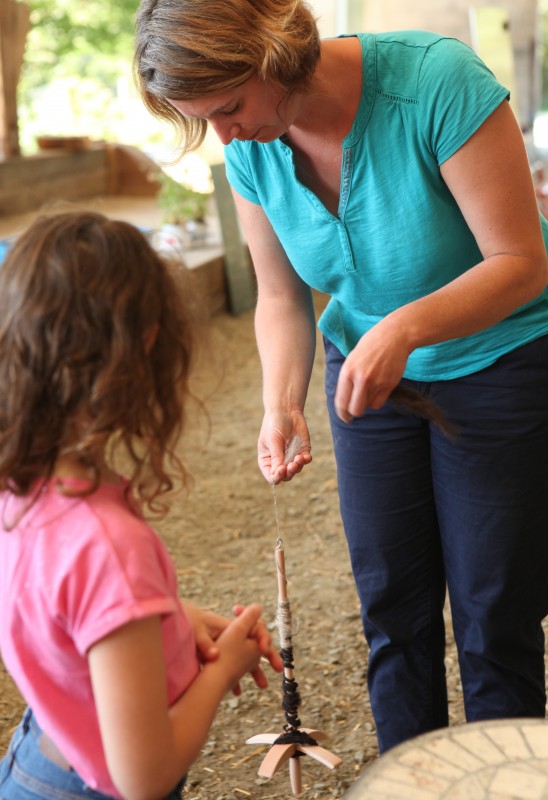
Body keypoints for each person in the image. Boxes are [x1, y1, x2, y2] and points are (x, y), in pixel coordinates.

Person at [134, 0, 548, 755]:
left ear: (273, 54)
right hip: (369, 370)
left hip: (499, 359)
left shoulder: (437, 82)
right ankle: (406, 777)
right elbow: (280, 296)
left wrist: (404, 328)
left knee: (494, 612)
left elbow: (520, 263)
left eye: (228, 108)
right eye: (205, 120)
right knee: (391, 606)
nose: (224, 136)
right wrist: (280, 403)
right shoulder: (252, 148)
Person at [0, 211, 283, 800]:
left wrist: (169, 621)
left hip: (36, 761)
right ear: (149, 342)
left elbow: (65, 621)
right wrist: (222, 669)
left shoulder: (17, 487)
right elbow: (143, 776)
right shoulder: (108, 544)